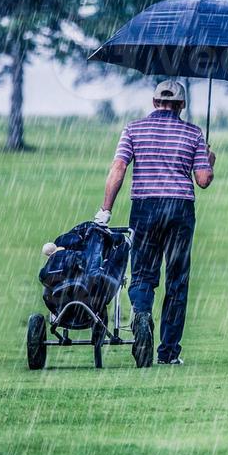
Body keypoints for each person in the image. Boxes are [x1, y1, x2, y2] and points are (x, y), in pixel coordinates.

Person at [93, 80, 215, 366]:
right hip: (179, 210)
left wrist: (105, 210)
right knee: (177, 280)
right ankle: (168, 352)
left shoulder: (133, 129)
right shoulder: (193, 133)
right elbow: (203, 180)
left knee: (143, 274)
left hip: (145, 207)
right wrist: (209, 160)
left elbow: (119, 168)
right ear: (181, 105)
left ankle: (142, 312)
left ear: (154, 102)